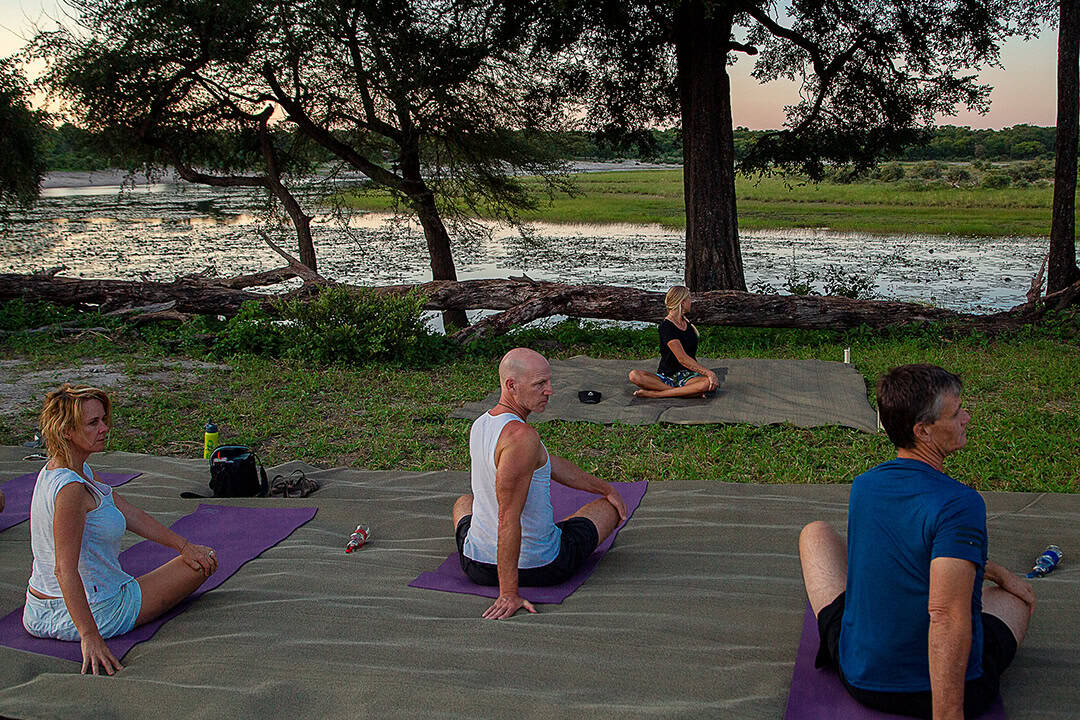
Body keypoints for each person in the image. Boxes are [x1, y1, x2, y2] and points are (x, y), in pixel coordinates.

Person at [799, 365, 1035, 720]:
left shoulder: (865, 486)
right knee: (1014, 600)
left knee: (814, 534)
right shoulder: (961, 504)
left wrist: (994, 570)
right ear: (923, 430)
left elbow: (889, 557)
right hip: (935, 693)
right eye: (956, 414)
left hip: (859, 673)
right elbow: (945, 617)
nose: (966, 418)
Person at [24, 384, 219, 675]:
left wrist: (183, 545)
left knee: (195, 555)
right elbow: (64, 571)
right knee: (205, 563)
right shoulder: (70, 490)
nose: (104, 428)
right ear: (67, 431)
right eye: (93, 423)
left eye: (103, 420)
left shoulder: (70, 469)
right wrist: (90, 636)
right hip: (92, 611)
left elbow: (130, 514)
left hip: (39, 608)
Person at [452, 348, 629, 620]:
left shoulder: (482, 423)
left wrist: (605, 487)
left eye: (548, 382)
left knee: (464, 503)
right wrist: (508, 593)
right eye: (540, 384)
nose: (550, 390)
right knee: (609, 509)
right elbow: (507, 517)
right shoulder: (522, 437)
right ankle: (529, 563)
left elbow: (550, 462)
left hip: (475, 563)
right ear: (511, 385)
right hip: (541, 567)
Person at [628, 285, 719, 398]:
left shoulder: (687, 324)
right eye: (689, 299)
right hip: (667, 376)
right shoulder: (667, 327)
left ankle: (660, 393)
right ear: (682, 302)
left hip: (688, 376)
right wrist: (708, 372)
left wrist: (706, 376)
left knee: (708, 384)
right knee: (634, 375)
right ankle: (684, 393)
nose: (691, 302)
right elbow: (682, 358)